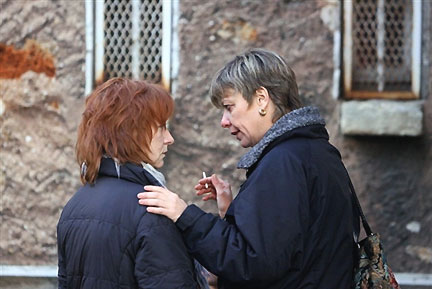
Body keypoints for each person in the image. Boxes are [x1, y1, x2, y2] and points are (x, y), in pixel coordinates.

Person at [137, 48, 360, 289]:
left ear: (262, 99)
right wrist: (232, 212)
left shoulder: (283, 163)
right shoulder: (317, 151)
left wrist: (185, 215)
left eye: (229, 107)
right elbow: (294, 249)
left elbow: (252, 263)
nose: (224, 121)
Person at [57, 77, 202, 289]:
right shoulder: (151, 207)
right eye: (161, 127)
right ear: (131, 131)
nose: (169, 138)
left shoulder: (75, 205)